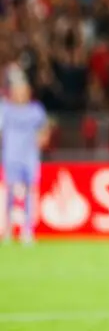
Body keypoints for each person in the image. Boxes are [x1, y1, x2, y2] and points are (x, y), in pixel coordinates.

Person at [0, 81, 50, 244]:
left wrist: (42, 138)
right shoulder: (5, 109)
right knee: (10, 190)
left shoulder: (36, 110)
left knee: (30, 191)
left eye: (23, 91)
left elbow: (45, 128)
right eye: (17, 91)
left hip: (29, 156)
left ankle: (27, 230)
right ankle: (8, 228)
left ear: (29, 93)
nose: (20, 95)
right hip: (11, 156)